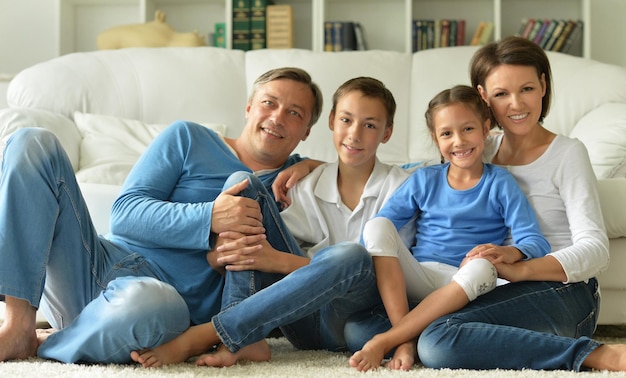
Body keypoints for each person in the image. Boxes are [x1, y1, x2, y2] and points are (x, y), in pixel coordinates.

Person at [0, 66, 324, 364]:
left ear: (306, 131)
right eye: (269, 103)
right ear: (249, 107)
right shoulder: (189, 138)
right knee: (32, 142)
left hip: (162, 305)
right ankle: (18, 324)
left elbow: (358, 174)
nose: (278, 117)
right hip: (96, 263)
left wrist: (313, 165)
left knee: (146, 302)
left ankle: (50, 343)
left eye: (294, 113)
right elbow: (125, 214)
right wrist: (209, 216)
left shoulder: (292, 187)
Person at [130, 76, 418, 369]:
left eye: (370, 125)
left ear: (387, 133)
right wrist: (223, 254)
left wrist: (277, 261)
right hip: (301, 319)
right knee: (244, 185)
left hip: (358, 313)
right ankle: (246, 338)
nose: (354, 134)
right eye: (346, 120)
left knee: (352, 255)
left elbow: (379, 271)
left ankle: (218, 332)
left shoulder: (406, 188)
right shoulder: (306, 183)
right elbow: (261, 247)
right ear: (331, 121)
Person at [414, 36, 626, 372]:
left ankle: (600, 356)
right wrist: (314, 167)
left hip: (563, 291)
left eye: (526, 88)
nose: (516, 104)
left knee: (437, 340)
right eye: (501, 94)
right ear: (483, 97)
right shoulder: (476, 150)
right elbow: (417, 181)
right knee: (405, 326)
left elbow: (595, 248)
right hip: (489, 289)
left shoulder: (567, 154)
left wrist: (522, 269)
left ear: (543, 85)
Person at [348, 85, 551, 372]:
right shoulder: (424, 179)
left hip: (465, 282)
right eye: (446, 133)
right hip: (421, 275)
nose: (458, 141)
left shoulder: (500, 183)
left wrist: (509, 252)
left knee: (482, 267)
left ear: (486, 128)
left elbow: (535, 241)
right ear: (436, 138)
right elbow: (379, 231)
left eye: (467, 129)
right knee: (376, 225)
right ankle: (405, 340)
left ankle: (390, 338)